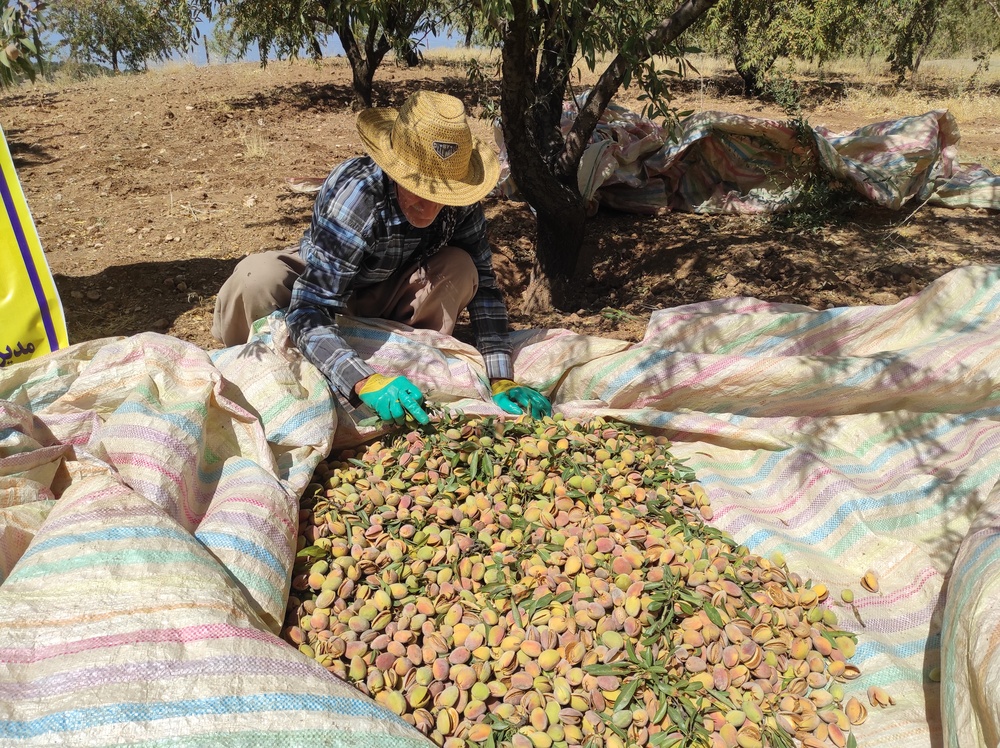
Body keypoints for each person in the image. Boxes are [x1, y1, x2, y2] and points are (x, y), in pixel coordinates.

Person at [212, 90, 550, 426]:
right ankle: (262, 378)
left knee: (460, 268)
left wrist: (500, 375)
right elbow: (311, 306)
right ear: (394, 169)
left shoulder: (461, 203)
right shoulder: (358, 195)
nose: (428, 207)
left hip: (388, 289)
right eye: (418, 190)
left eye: (441, 195)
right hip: (327, 280)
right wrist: (361, 380)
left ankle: (406, 370)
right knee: (255, 279)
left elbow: (486, 289)